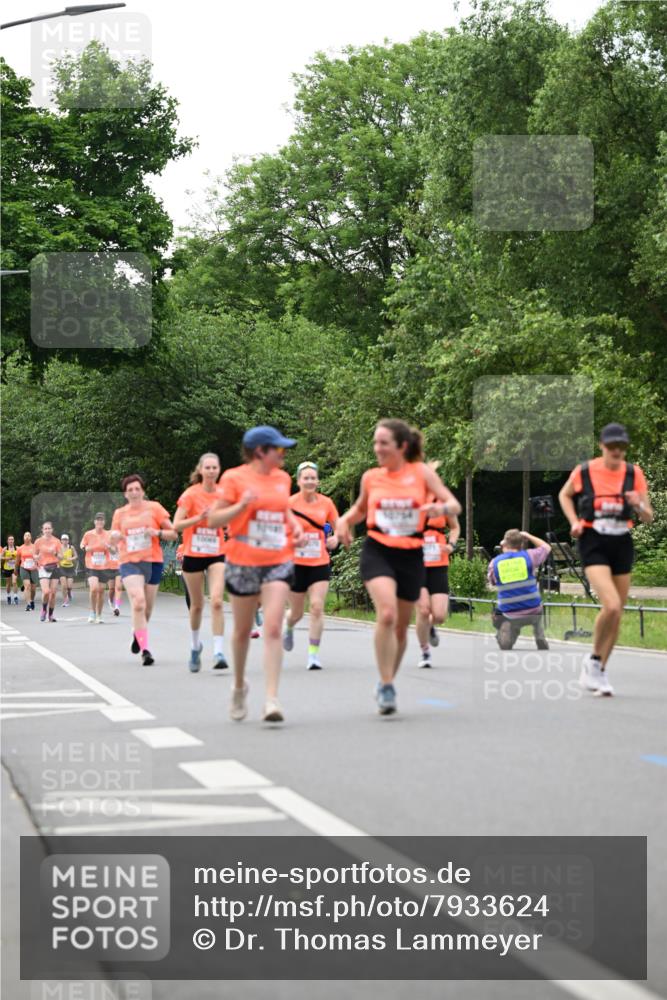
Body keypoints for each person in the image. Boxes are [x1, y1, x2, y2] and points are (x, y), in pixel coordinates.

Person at [336, 419, 461, 716]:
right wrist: (343, 521)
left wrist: (439, 509)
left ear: (401, 447)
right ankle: (387, 682)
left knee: (402, 631)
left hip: (411, 554)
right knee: (388, 613)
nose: (377, 448)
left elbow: (454, 506)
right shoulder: (371, 477)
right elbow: (359, 510)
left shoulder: (422, 473)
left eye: (383, 443)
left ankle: (387, 678)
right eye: (375, 442)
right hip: (378, 550)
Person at [207, 426, 304, 723]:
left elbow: (282, 509)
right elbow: (213, 520)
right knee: (241, 632)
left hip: (278, 559)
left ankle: (271, 700)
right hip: (243, 559)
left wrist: (294, 525)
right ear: (261, 451)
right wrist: (241, 505)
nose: (283, 454)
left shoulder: (282, 479)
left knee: (273, 627)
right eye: (280, 449)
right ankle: (239, 686)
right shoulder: (234, 478)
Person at [559, 422, 653, 696]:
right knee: (611, 605)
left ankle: (598, 670)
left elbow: (649, 516)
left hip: (621, 541)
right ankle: (593, 662)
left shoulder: (634, 474)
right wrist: (574, 521)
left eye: (621, 447)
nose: (617, 451)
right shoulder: (586, 471)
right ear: (602, 446)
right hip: (593, 541)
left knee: (617, 613)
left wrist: (638, 504)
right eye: (612, 446)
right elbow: (564, 495)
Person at [110, 475, 177, 665]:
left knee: (146, 609)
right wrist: (114, 537)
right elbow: (113, 539)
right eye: (130, 489)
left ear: (143, 491)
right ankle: (145, 650)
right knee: (138, 602)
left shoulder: (154, 508)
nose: (134, 492)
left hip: (153, 561)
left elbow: (173, 533)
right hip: (129, 562)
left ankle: (137, 632)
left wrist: (157, 533)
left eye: (137, 489)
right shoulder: (119, 514)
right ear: (125, 493)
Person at [173, 452, 229, 672]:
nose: (212, 471)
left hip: (216, 553)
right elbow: (176, 525)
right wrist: (199, 518)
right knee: (196, 606)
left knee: (216, 601)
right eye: (208, 468)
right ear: (201, 470)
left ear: (219, 470)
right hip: (193, 554)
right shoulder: (190, 495)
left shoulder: (224, 495)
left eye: (215, 468)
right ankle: (195, 646)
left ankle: (219, 651)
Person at [283, 461, 339, 669]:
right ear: (298, 481)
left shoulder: (326, 503)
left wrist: (337, 538)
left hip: (319, 561)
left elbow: (338, 526)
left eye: (313, 477)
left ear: (317, 480)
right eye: (305, 478)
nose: (309, 481)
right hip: (295, 563)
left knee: (316, 607)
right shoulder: (289, 504)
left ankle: (313, 655)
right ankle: (288, 626)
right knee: (296, 612)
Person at [415, 495, 461, 667]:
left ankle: (431, 626)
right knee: (423, 610)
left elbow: (455, 528)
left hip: (438, 563)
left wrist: (451, 545)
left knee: (440, 615)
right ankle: (425, 652)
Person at [488, 529, 551, 651]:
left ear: (504, 544)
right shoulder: (530, 556)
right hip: (533, 610)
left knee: (497, 613)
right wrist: (528, 535)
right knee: (539, 606)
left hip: (509, 612)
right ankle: (539, 634)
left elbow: (492, 582)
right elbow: (546, 547)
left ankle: (506, 628)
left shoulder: (495, 562)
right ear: (521, 544)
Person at [80, 514, 114, 624]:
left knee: (101, 591)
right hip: (91, 565)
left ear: (104, 522)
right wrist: (86, 547)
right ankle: (92, 612)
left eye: (101, 520)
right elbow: (82, 545)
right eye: (97, 520)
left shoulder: (109, 534)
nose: (99, 522)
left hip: (104, 566)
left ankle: (99, 615)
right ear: (94, 522)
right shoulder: (88, 534)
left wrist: (109, 547)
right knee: (94, 588)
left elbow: (114, 550)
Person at [33, 522, 64, 622]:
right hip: (43, 567)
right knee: (46, 592)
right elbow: (34, 554)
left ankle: (50, 615)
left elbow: (61, 557)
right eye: (45, 529)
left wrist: (54, 553)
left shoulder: (57, 541)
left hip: (54, 567)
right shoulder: (38, 541)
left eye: (49, 528)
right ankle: (43, 609)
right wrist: (36, 557)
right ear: (42, 530)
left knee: (53, 593)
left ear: (52, 529)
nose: (47, 530)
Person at [17, 532, 38, 611]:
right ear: (23, 538)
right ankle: (28, 604)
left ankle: (32, 600)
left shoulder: (35, 547)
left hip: (34, 569)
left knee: (33, 589)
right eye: (25, 535)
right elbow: (17, 560)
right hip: (24, 568)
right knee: (27, 586)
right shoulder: (20, 548)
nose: (27, 537)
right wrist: (15, 571)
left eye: (29, 535)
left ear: (31, 538)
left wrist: (37, 565)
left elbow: (40, 558)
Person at [58, 534, 78, 607]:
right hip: (62, 567)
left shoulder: (71, 547)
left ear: (68, 541)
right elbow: (57, 556)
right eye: (63, 539)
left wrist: (71, 559)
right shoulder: (59, 548)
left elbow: (76, 556)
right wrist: (59, 557)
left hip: (70, 568)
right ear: (61, 541)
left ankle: (69, 592)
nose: (65, 541)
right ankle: (65, 601)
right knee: (64, 586)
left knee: (69, 586)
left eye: (66, 540)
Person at [106, 540, 123, 616]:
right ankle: (110, 600)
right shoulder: (106, 544)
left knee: (118, 587)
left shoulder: (121, 543)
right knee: (111, 589)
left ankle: (117, 607)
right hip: (109, 568)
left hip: (119, 568)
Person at [1, 536, 19, 605]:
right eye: (9, 539)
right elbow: (0, 557)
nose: (11, 541)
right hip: (7, 568)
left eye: (12, 539)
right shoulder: (5, 548)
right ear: (7, 541)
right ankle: (8, 596)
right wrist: (7, 558)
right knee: (8, 584)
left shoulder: (17, 548)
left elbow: (20, 555)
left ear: (14, 541)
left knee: (14, 582)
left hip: (14, 568)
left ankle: (15, 597)